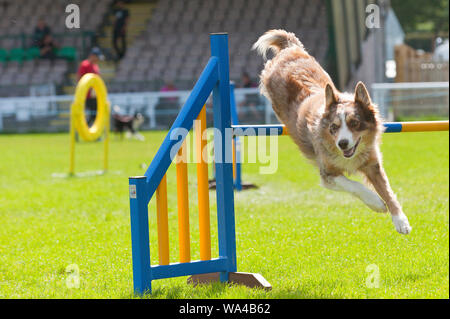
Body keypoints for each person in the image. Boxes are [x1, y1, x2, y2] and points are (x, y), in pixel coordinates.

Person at [77, 47, 105, 126]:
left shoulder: (95, 66)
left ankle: (88, 129)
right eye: (97, 57)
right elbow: (80, 79)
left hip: (95, 95)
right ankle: (83, 129)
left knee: (95, 115)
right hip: (87, 95)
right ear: (92, 56)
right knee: (92, 114)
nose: (98, 60)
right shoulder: (85, 65)